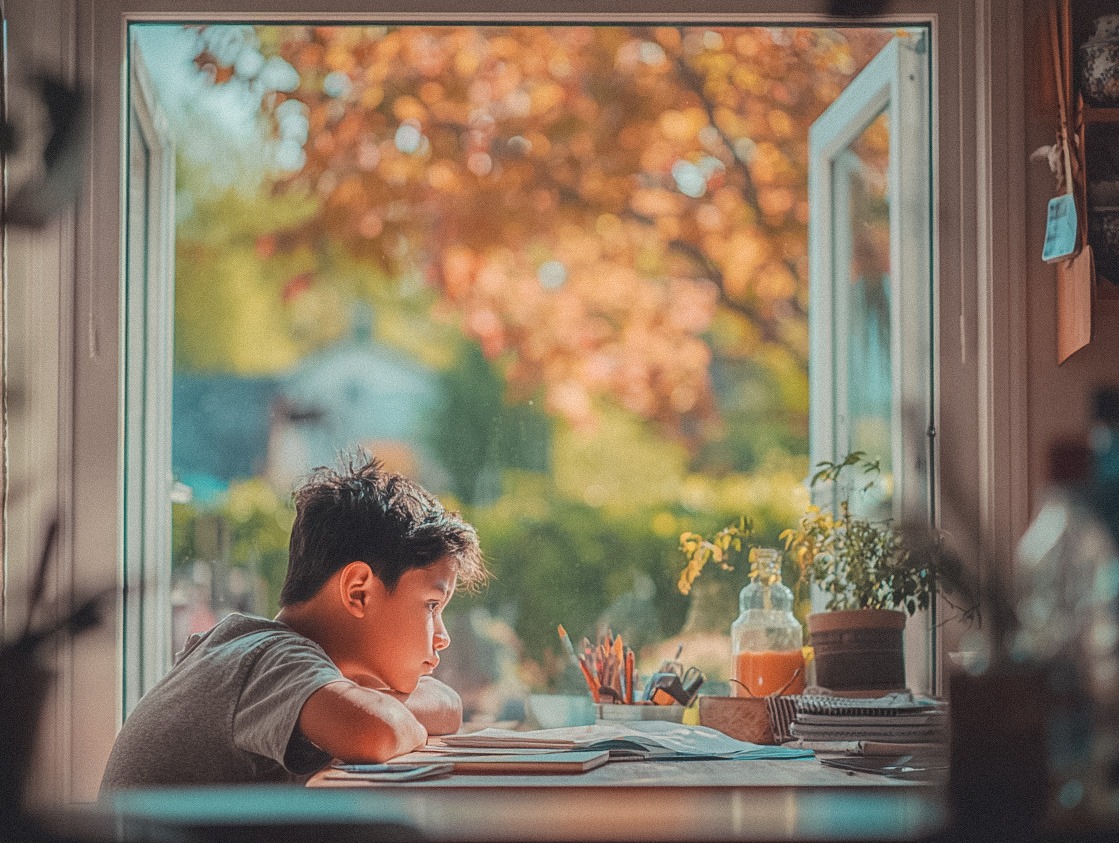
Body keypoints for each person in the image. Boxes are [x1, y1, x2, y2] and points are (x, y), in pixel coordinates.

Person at [100, 454, 487, 790]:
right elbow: (374, 732)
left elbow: (447, 705)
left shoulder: (255, 652)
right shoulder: (269, 658)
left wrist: (378, 700)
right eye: (432, 606)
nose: (443, 637)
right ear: (358, 591)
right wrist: (378, 708)